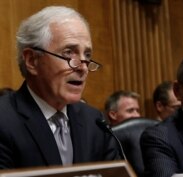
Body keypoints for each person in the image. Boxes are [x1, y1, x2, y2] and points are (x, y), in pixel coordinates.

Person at [0, 6, 121, 169]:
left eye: (87, 55)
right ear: (32, 61)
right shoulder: (4, 121)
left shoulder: (94, 121)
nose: (83, 68)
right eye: (68, 53)